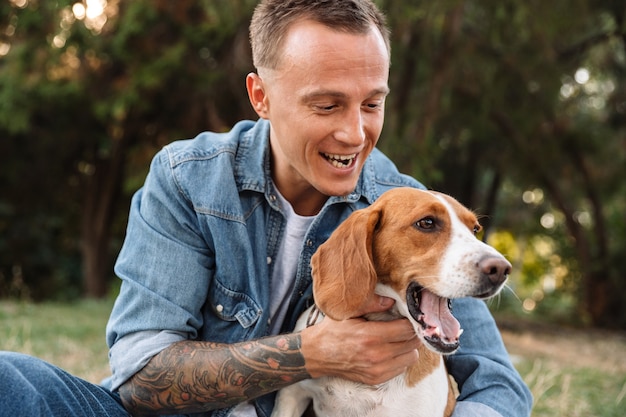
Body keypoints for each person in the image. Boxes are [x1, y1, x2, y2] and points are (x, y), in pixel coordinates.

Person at [0, 1, 533, 416]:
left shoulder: (411, 213)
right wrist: (313, 353)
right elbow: (141, 377)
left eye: (372, 103)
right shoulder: (188, 179)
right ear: (261, 96)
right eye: (326, 104)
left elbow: (496, 383)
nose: (354, 132)